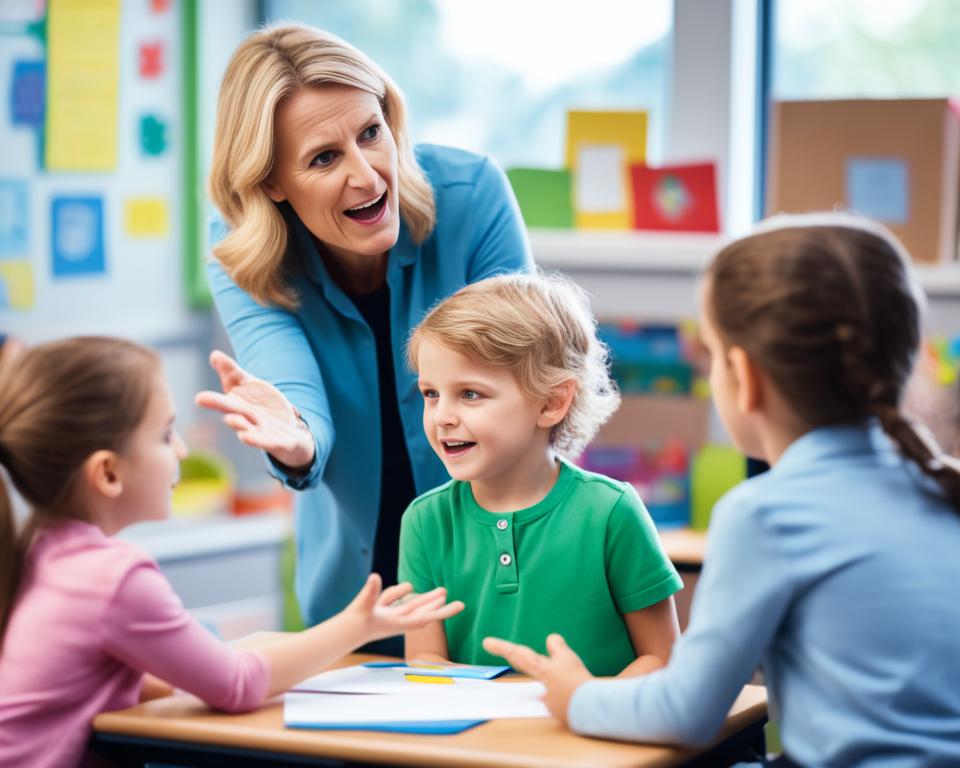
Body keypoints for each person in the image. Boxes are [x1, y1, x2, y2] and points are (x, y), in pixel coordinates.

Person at [484, 214, 960, 766]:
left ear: (743, 374)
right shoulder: (941, 487)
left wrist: (577, 697)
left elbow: (687, 710)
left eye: (709, 356)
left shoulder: (768, 515)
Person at [198, 25, 532, 643]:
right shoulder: (243, 255)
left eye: (370, 133)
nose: (369, 176)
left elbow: (521, 385)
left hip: (503, 567)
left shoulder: (472, 195)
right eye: (324, 158)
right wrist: (294, 441)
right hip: (359, 597)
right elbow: (291, 387)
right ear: (272, 181)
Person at [0, 337, 463, 768]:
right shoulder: (111, 576)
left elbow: (139, 680)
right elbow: (238, 685)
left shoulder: (42, 554)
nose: (181, 450)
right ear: (107, 473)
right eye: (165, 435)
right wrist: (356, 625)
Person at [399, 273, 683, 677]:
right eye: (431, 394)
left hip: (594, 733)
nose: (442, 416)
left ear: (552, 402)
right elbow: (425, 660)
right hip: (478, 739)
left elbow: (662, 659)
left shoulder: (611, 512)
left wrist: (586, 705)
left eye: (470, 394)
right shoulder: (424, 522)